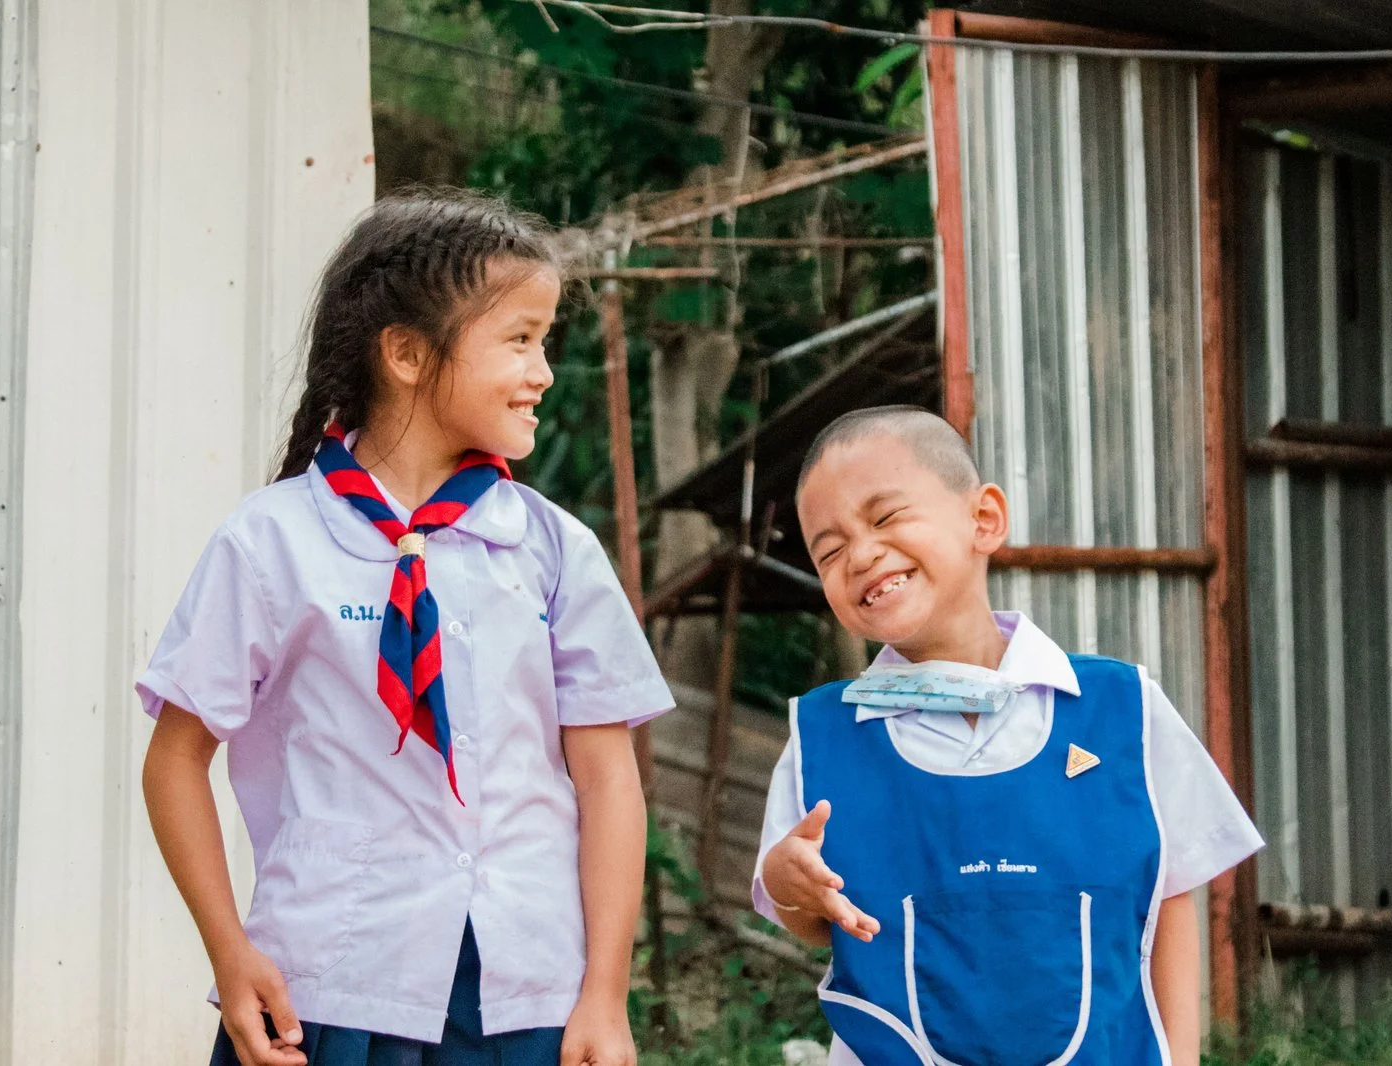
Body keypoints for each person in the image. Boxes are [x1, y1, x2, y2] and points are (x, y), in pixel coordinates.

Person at [138, 189, 670, 1066]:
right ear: (409, 355)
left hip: (522, 993)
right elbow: (176, 758)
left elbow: (609, 781)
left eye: (545, 342)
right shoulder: (272, 541)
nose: (543, 372)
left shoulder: (551, 548)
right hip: (326, 987)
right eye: (520, 340)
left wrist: (605, 995)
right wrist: (231, 957)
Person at [755, 405, 1263, 1065]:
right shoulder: (821, 737)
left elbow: (1169, 898)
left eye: (884, 518)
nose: (862, 553)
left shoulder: (1121, 710)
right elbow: (815, 923)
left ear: (983, 520)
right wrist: (787, 881)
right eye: (830, 549)